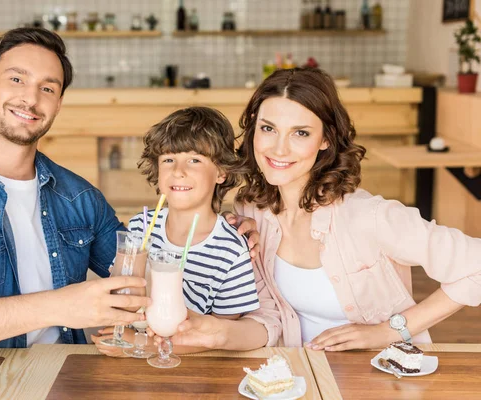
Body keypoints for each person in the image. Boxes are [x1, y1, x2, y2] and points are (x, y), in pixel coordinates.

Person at [0, 28, 259, 361]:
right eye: (16, 79)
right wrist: (60, 306)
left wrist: (211, 221)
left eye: (48, 88)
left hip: (71, 373)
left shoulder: (80, 197)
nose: (30, 99)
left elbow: (139, 271)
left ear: (58, 103)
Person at [162, 67, 481, 352]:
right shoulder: (252, 209)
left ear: (326, 139)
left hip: (382, 374)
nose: (279, 148)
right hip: (298, 376)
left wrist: (386, 331)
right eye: (268, 128)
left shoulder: (368, 216)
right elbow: (268, 313)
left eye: (300, 133)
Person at [94, 107, 260, 355]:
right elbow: (123, 295)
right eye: (168, 160)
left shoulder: (231, 250)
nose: (178, 171)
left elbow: (219, 335)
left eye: (194, 160)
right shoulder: (141, 226)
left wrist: (142, 344)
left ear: (221, 172)